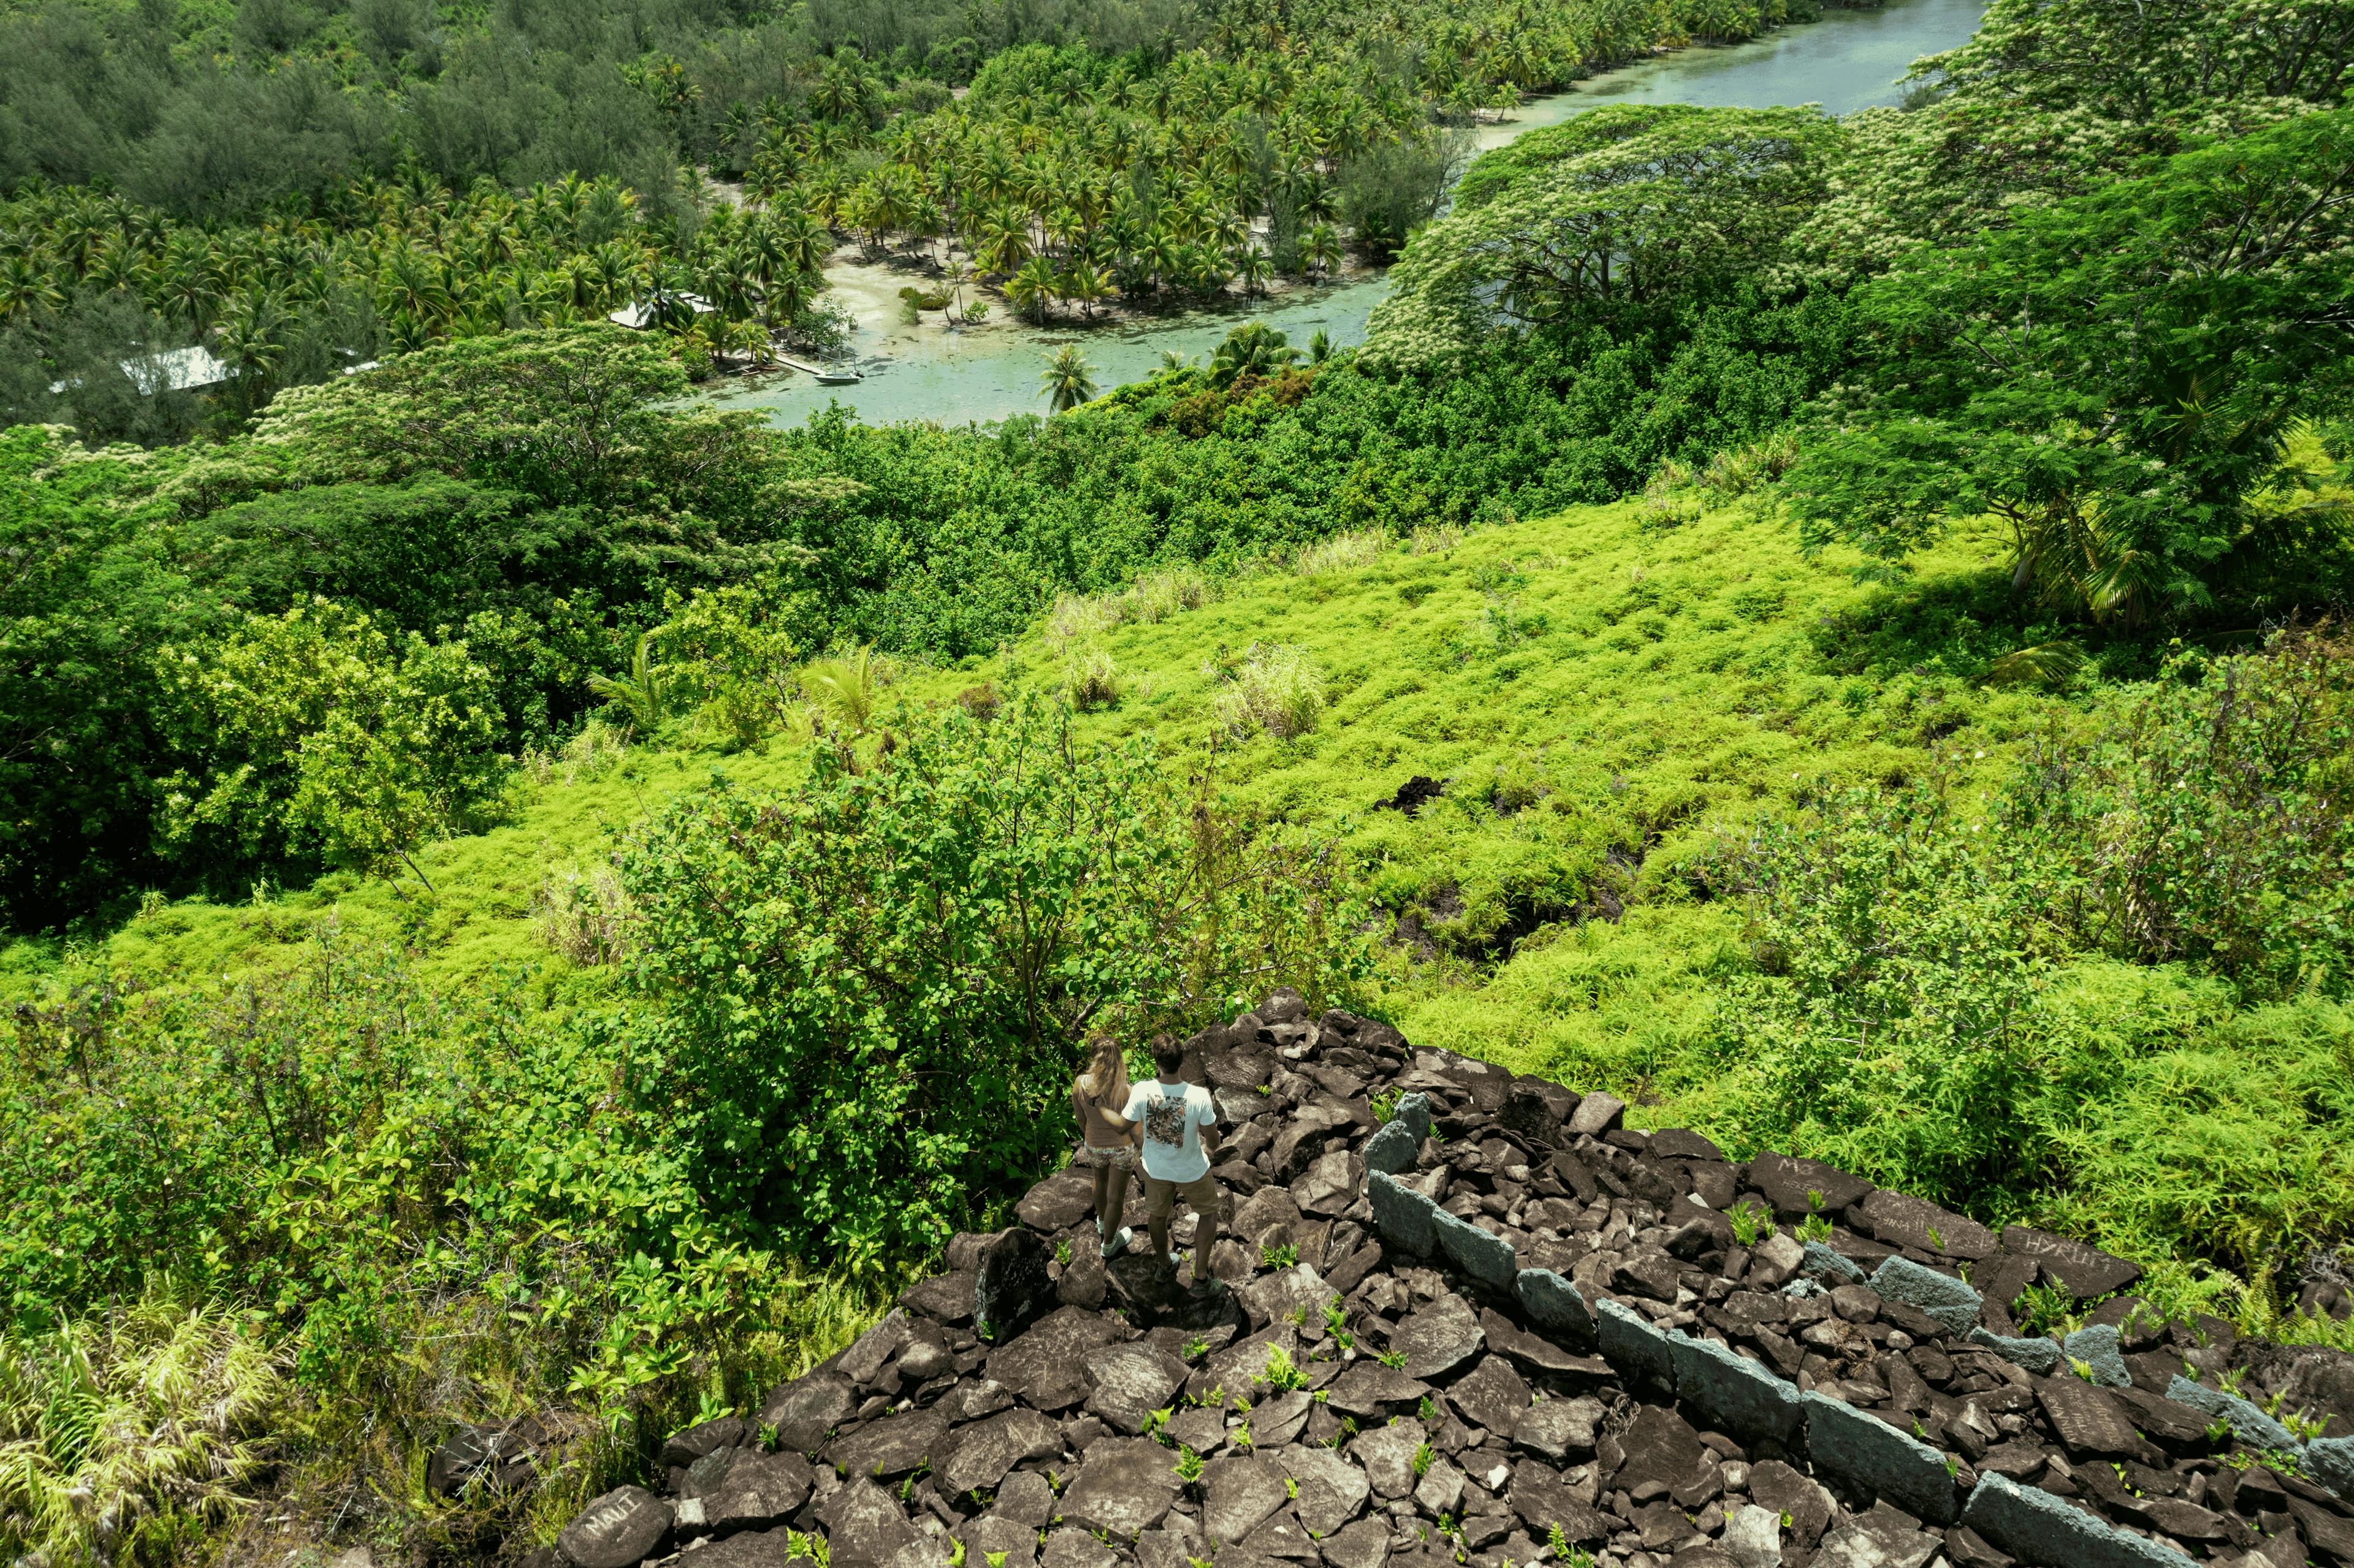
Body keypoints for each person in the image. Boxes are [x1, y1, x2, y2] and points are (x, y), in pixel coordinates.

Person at [1121, 1032, 1224, 1294]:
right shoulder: (1199, 1096)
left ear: (1157, 1062)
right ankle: (1200, 1279)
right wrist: (1207, 1147)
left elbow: (1126, 1126)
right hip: (1192, 1169)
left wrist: (1098, 1110)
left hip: (1156, 1170)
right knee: (1209, 1214)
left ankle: (1165, 1264)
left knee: (1157, 1216)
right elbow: (1213, 1142)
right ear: (1182, 1062)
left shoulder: (1142, 1090)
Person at [1071, 1035, 1139, 1258]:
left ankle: (1102, 1223)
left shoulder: (1081, 1084)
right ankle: (1110, 1243)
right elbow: (1132, 1128)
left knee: (1099, 1181)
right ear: (1119, 1060)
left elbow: (1081, 1120)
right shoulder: (1126, 1091)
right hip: (1122, 1149)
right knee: (1116, 1198)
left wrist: (1091, 1137)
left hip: (1094, 1144)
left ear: (1093, 1059)